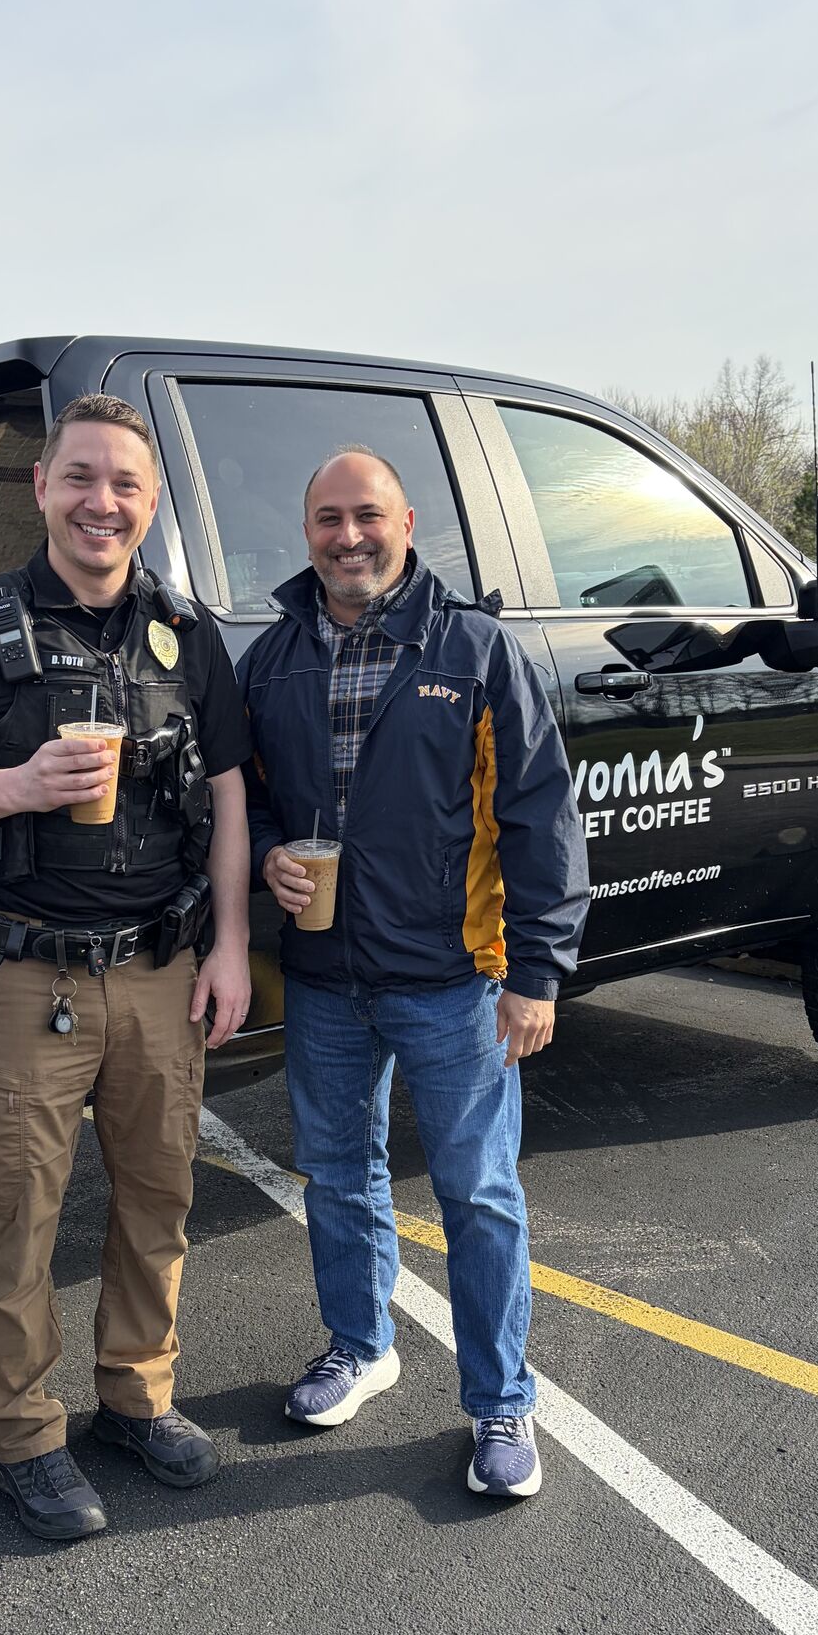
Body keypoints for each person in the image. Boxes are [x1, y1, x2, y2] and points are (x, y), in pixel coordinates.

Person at [0, 395, 251, 1542]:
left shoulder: (186, 632)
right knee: (18, 1217)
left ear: (149, 503)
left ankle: (137, 1398)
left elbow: (230, 791)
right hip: (28, 982)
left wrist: (232, 944)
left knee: (159, 1200)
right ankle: (26, 1437)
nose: (103, 503)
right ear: (41, 488)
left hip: (161, 972)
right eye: (81, 479)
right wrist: (16, 786)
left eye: (125, 485)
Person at [239, 445, 588, 1498]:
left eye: (368, 516)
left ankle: (501, 1404)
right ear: (307, 532)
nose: (348, 536)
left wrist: (538, 972)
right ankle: (362, 1344)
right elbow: (245, 793)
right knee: (337, 1178)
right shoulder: (273, 659)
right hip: (327, 980)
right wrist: (263, 850)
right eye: (328, 518)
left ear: (408, 522)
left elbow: (541, 817)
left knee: (479, 1194)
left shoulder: (477, 651)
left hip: (456, 981)